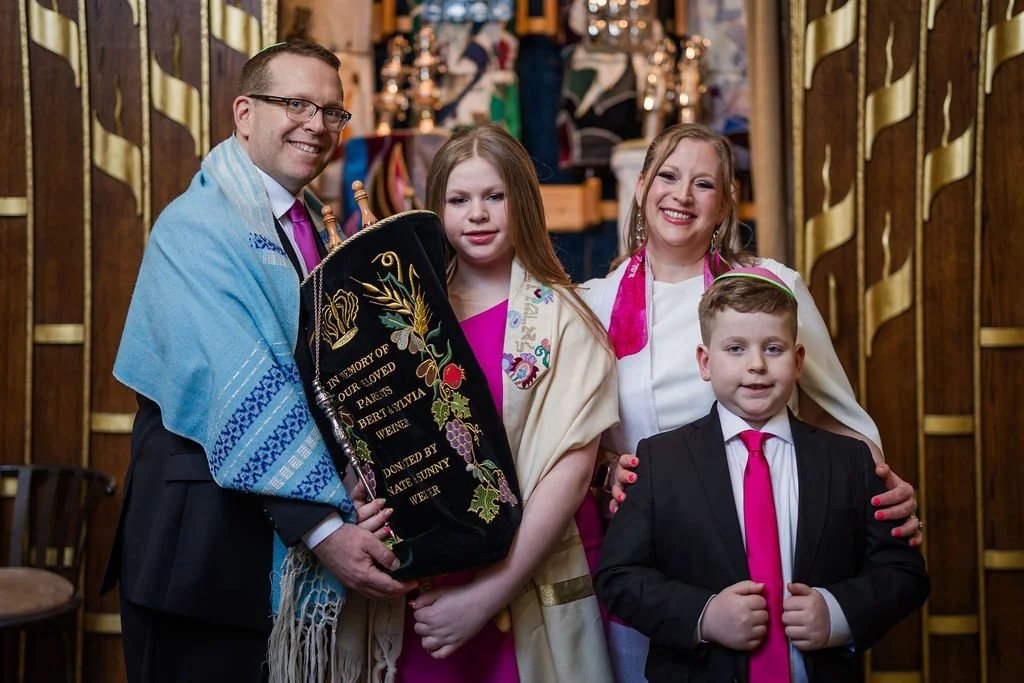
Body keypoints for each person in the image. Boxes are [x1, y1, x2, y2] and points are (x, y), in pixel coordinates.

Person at [102, 40, 413, 683]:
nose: (317, 125)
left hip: (266, 551)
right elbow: (243, 379)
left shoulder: (307, 228)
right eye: (295, 103)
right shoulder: (197, 227)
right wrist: (327, 529)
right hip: (201, 557)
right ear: (244, 114)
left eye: (332, 111)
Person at [579, 123, 922, 680]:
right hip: (660, 563)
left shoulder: (768, 285)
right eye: (668, 176)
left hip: (769, 537)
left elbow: (833, 413)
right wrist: (606, 469)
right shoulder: (593, 301)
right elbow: (578, 440)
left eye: (704, 184)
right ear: (642, 187)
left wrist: (885, 493)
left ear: (724, 204)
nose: (682, 195)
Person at [357, 125, 619, 682]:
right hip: (429, 588)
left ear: (521, 202)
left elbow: (570, 475)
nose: (477, 214)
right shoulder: (407, 322)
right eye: (459, 200)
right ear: (437, 211)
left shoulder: (565, 320)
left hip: (526, 572)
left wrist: (486, 596)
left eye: (493, 197)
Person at [595, 269, 930, 682]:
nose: (756, 365)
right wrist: (703, 615)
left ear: (799, 360)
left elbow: (904, 573)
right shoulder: (660, 461)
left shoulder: (849, 461)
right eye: (735, 348)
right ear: (705, 362)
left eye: (773, 348)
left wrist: (837, 612)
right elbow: (618, 577)